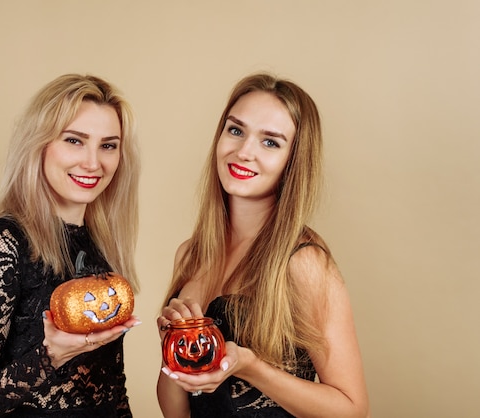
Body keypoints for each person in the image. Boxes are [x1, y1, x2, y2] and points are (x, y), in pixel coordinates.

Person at [156, 73, 369, 417]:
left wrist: (251, 366)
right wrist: (170, 346)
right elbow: (176, 407)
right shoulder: (190, 254)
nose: (243, 152)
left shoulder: (303, 262)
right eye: (236, 130)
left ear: (292, 162)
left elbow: (352, 410)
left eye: (270, 142)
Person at [0, 74, 142, 417]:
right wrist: (50, 355)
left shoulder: (101, 243)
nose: (93, 162)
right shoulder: (3, 243)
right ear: (39, 144)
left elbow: (112, 389)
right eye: (74, 140)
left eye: (108, 145)